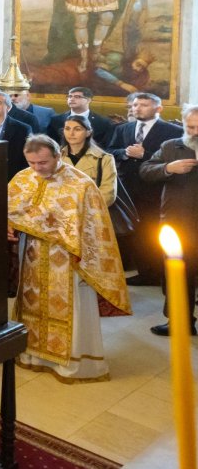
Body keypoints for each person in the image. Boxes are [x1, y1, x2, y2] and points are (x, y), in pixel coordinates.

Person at [9, 135, 130, 381]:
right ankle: (33, 355)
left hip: (69, 261)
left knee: (69, 309)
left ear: (58, 156)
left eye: (43, 162)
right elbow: (10, 208)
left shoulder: (81, 185)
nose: (37, 168)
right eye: (31, 162)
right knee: (32, 303)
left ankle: (73, 363)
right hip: (31, 255)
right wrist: (9, 224)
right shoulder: (23, 178)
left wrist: (79, 249)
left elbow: (95, 228)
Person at [108, 91, 183, 284]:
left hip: (154, 189)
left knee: (152, 231)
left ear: (158, 108)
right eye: (135, 105)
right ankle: (144, 272)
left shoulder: (172, 131)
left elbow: (173, 160)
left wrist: (145, 153)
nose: (137, 108)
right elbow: (109, 150)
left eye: (143, 105)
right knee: (135, 232)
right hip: (128, 188)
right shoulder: (124, 128)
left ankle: (158, 272)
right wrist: (124, 152)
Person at [139, 105, 198, 336]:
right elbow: (145, 170)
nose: (194, 132)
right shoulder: (170, 146)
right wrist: (168, 167)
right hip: (177, 222)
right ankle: (180, 322)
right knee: (176, 274)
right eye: (190, 126)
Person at [60, 114, 117, 206]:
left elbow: (108, 193)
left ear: (88, 132)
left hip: (91, 211)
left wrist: (83, 207)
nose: (71, 133)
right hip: (61, 210)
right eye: (67, 129)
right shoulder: (56, 156)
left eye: (77, 129)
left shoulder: (104, 158)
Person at [46, 87, 114, 147]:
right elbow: (50, 144)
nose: (71, 99)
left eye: (77, 97)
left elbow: (106, 146)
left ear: (88, 100)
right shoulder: (56, 120)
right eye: (69, 96)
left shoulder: (103, 122)